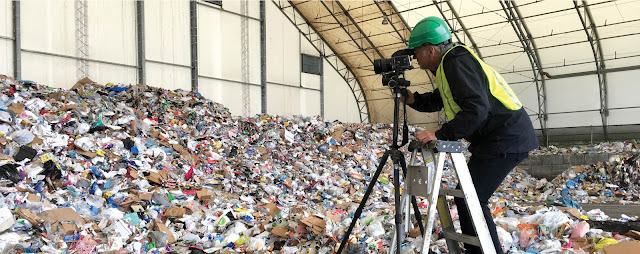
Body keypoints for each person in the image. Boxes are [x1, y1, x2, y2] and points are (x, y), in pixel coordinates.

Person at [403, 16, 539, 253]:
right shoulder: (449, 64)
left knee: (471, 200)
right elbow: (441, 99)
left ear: (430, 50)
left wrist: (440, 133)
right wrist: (413, 99)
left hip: (505, 138)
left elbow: (476, 110)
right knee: (468, 200)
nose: (415, 57)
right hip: (497, 139)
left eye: (417, 51)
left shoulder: (456, 61)